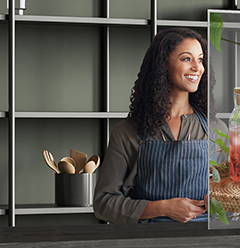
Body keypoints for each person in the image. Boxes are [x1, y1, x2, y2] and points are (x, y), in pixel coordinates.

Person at [94, 27, 226, 223]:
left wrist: (221, 200)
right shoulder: (127, 132)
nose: (198, 68)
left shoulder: (218, 130)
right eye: (186, 59)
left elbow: (236, 195)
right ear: (163, 64)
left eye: (200, 59)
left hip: (207, 246)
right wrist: (162, 208)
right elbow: (103, 204)